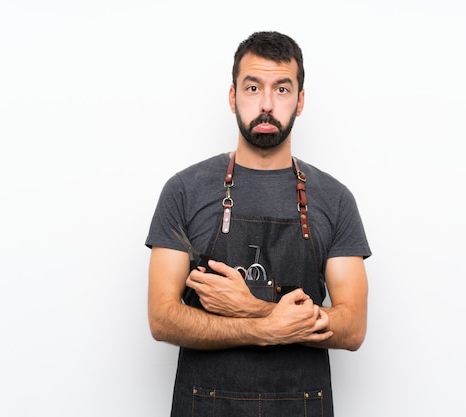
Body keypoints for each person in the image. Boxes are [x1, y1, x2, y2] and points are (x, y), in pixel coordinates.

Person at [145, 31, 371, 417]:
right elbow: (162, 318)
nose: (266, 104)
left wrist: (252, 307)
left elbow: (352, 327)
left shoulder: (335, 199)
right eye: (253, 87)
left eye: (282, 90)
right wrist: (264, 327)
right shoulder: (184, 190)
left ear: (300, 102)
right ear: (233, 96)